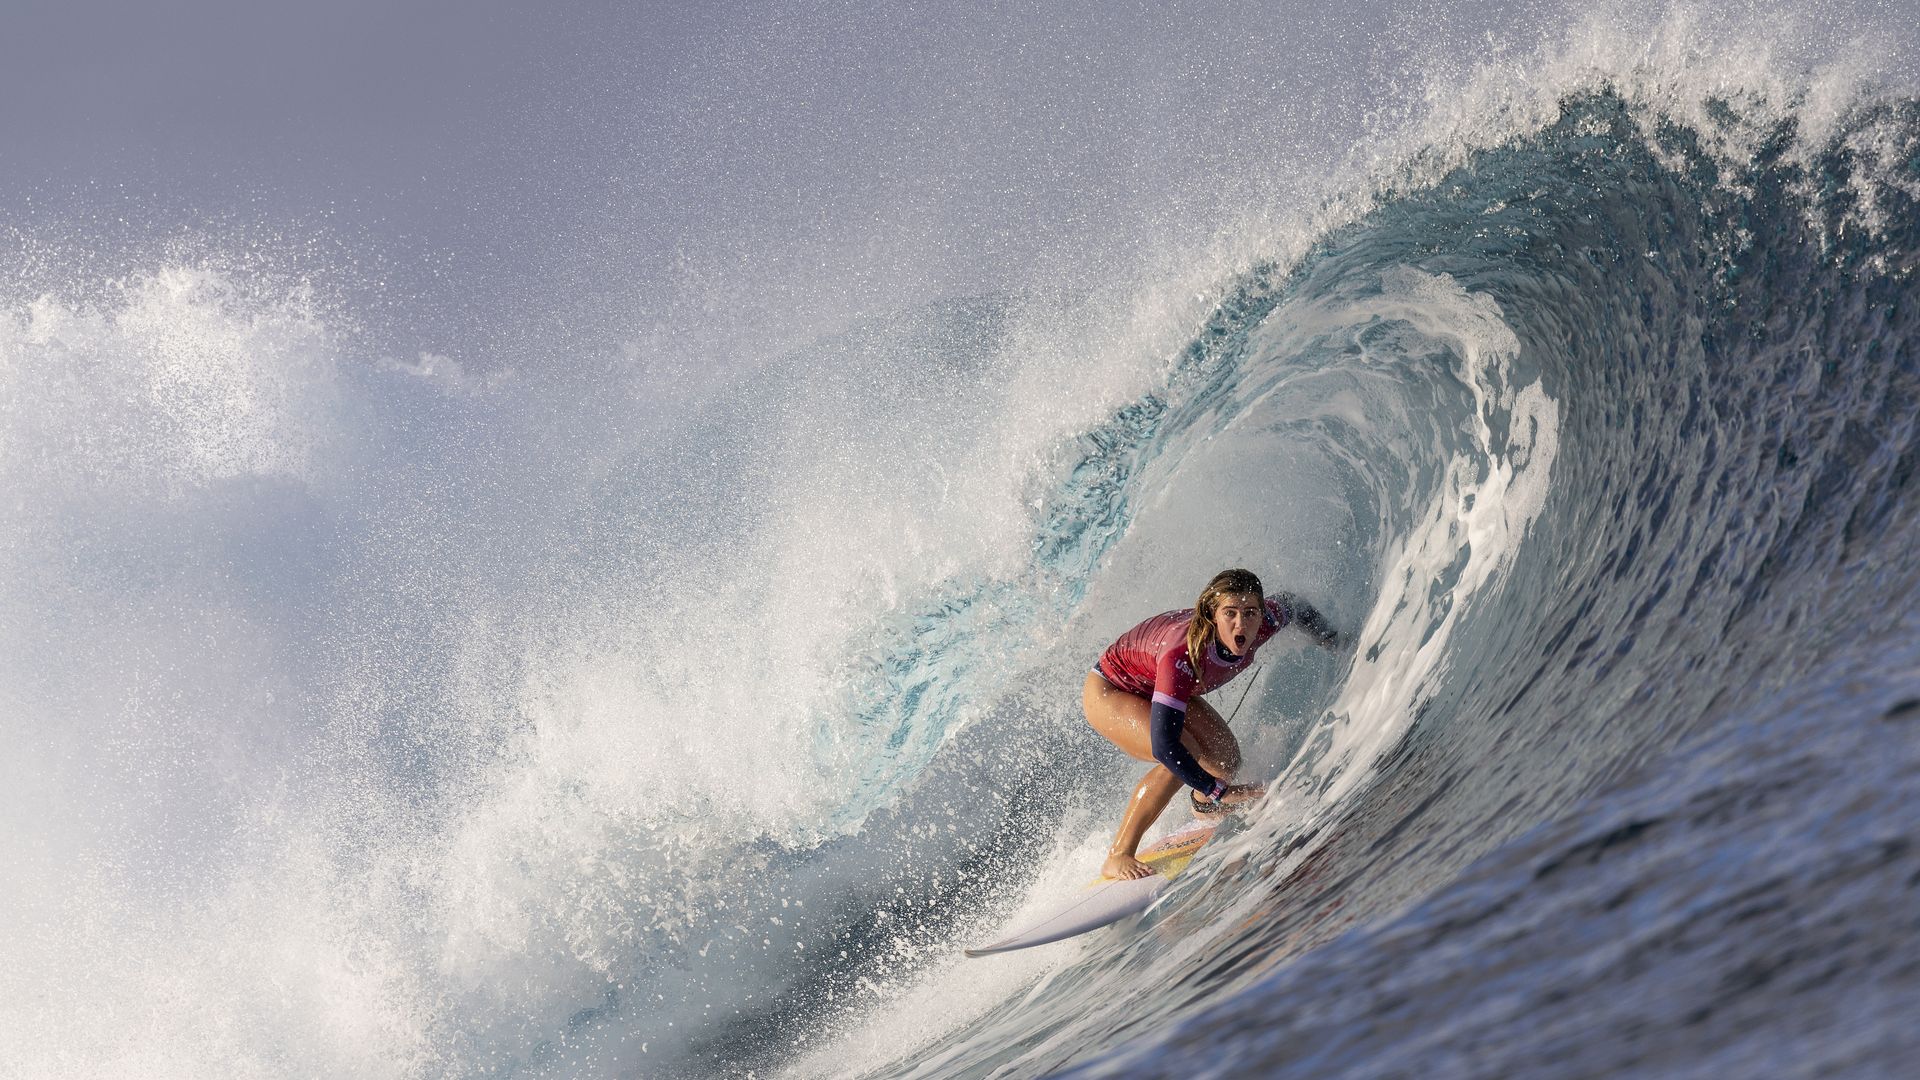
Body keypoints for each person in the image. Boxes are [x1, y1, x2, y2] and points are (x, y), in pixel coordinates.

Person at [1084, 568, 1344, 879]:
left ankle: (1204, 805)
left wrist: (1332, 639)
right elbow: (1165, 746)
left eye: (1250, 613)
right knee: (1184, 750)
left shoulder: (1267, 622)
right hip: (1111, 690)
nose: (1241, 623)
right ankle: (1118, 854)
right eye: (1230, 613)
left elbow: (1293, 605)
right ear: (1212, 615)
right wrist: (1222, 791)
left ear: (1262, 614)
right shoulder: (1182, 654)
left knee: (1224, 757)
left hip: (1155, 683)